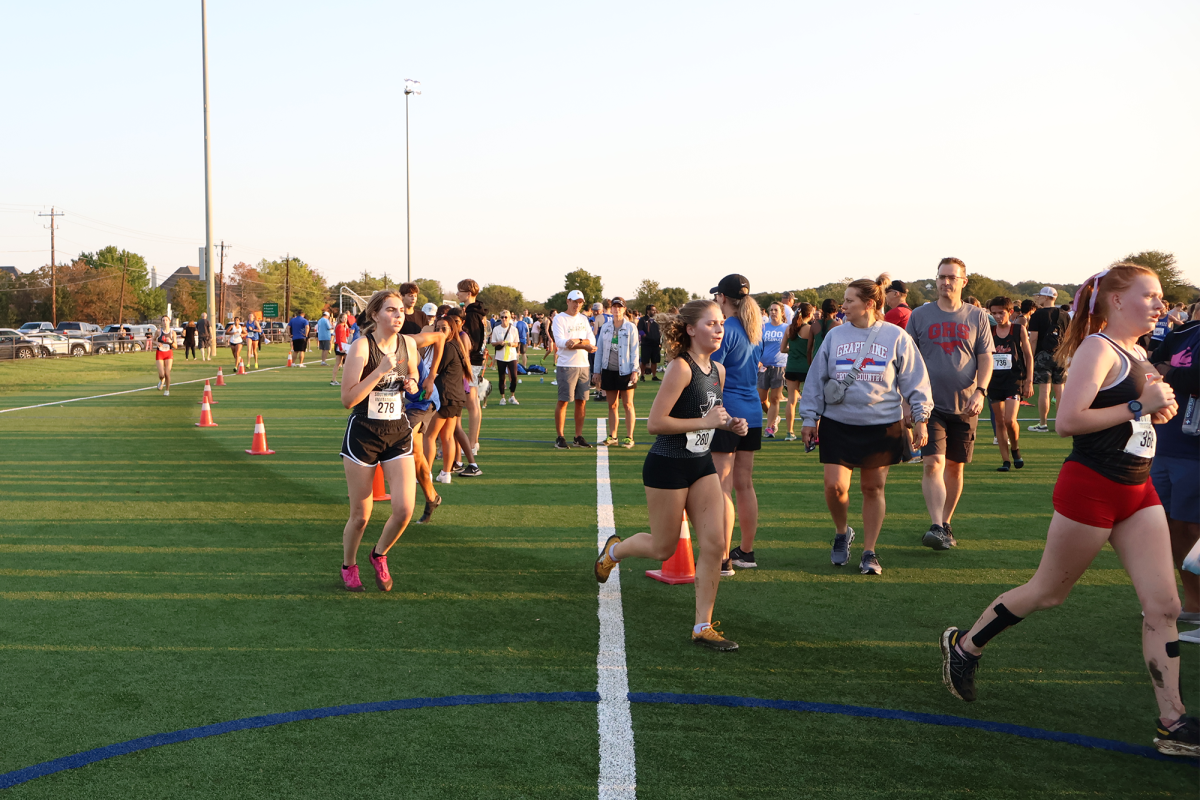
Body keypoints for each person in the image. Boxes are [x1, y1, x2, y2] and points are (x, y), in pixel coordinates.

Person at [940, 263, 1198, 758]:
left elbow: (1138, 415)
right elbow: (1068, 421)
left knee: (1163, 606)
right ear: (1117, 301)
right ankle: (965, 646)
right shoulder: (1098, 349)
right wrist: (1139, 407)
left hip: (1137, 489)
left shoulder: (1139, 351)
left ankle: (1173, 721)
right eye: (1150, 295)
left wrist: (1154, 408)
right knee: (1047, 593)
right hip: (1093, 486)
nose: (1160, 305)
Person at [594, 299, 749, 651]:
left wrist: (730, 423)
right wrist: (707, 422)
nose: (719, 329)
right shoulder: (681, 368)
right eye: (711, 323)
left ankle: (702, 626)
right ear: (691, 329)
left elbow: (712, 412)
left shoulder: (718, 371)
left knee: (714, 544)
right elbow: (655, 424)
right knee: (663, 548)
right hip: (668, 463)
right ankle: (615, 551)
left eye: (721, 323)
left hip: (701, 464)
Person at [800, 276, 932, 575]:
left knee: (873, 487)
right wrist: (810, 417)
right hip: (838, 422)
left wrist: (921, 420)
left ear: (869, 304)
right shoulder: (834, 336)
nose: (843, 306)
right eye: (844, 300)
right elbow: (816, 379)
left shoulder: (896, 337)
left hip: (882, 423)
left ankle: (870, 552)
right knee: (835, 486)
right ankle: (842, 532)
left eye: (849, 301)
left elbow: (916, 380)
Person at [338, 290, 421, 593]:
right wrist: (380, 371)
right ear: (374, 315)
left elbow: (410, 376)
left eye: (401, 310)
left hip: (397, 432)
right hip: (364, 435)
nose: (399, 315)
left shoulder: (407, 344)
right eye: (391, 310)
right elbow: (348, 399)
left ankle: (379, 554)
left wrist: (410, 382)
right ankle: (349, 565)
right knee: (361, 516)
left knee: (404, 510)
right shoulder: (361, 347)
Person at [908, 257, 994, 550]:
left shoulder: (977, 316)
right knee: (932, 463)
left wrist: (981, 391)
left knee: (955, 468)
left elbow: (985, 357)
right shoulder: (920, 315)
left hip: (967, 404)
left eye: (952, 277)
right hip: (929, 405)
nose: (946, 282)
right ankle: (934, 524)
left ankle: (945, 523)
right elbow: (908, 360)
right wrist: (908, 400)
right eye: (942, 276)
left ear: (963, 281)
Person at [1150, 308, 1200, 641]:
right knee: (1170, 527)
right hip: (1166, 443)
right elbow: (1152, 369)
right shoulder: (1185, 332)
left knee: (1194, 529)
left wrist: (1169, 375)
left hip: (1196, 453)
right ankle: (1194, 605)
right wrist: (1166, 374)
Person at [710, 274, 764, 573]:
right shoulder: (754, 326)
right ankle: (745, 551)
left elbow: (714, 372)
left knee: (722, 486)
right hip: (752, 412)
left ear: (723, 298)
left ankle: (721, 558)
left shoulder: (726, 329)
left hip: (728, 414)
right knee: (744, 485)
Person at [428, 310, 482, 481]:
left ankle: (426, 473)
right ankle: (446, 473)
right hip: (456, 396)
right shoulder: (456, 345)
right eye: (437, 328)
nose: (440, 331)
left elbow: (435, 370)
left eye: (444, 328)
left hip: (447, 396)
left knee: (430, 436)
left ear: (452, 329)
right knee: (448, 436)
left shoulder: (448, 347)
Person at [986, 297, 1033, 471]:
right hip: (994, 381)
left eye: (1001, 313)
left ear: (1010, 312)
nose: (998, 317)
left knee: (1010, 420)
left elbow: (1028, 355)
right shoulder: (990, 331)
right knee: (999, 421)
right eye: (994, 313)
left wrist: (1029, 381)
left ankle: (1015, 449)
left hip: (1014, 379)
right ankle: (1005, 461)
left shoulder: (1018, 329)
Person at [552, 290, 597, 449]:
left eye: (580, 302)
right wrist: (583, 344)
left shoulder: (584, 319)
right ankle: (560, 436)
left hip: (583, 365)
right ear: (568, 301)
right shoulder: (559, 319)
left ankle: (578, 436)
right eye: (574, 301)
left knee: (581, 402)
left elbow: (591, 340)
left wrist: (577, 341)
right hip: (566, 365)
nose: (577, 305)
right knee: (564, 401)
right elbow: (562, 342)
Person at [596, 297, 639, 447]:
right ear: (611, 309)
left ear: (624, 309)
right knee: (612, 405)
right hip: (609, 370)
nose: (616, 309)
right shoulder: (606, 327)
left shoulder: (630, 327)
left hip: (625, 370)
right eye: (614, 307)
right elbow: (599, 350)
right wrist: (597, 371)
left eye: (619, 307)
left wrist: (635, 370)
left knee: (628, 404)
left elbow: (634, 350)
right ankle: (613, 436)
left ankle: (629, 437)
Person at [1027, 286, 1068, 432]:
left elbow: (1033, 339)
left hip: (1043, 355)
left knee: (1045, 391)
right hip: (1061, 355)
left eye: (1039, 296)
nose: (1037, 298)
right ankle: (1061, 423)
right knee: (1060, 390)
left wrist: (1030, 357)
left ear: (1045, 297)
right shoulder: (1064, 314)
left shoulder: (1037, 314)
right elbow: (1068, 337)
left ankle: (1043, 423)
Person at [458, 279, 488, 450]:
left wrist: (465, 358)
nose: (457, 294)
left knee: (470, 401)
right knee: (473, 401)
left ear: (468, 293)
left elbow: (473, 340)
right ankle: (473, 442)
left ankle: (470, 443)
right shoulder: (478, 311)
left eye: (460, 291)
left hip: (471, 361)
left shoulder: (472, 313)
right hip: (476, 360)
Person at [779, 302, 813, 441]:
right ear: (810, 314)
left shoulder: (789, 328)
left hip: (791, 367)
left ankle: (789, 432)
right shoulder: (809, 329)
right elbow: (811, 349)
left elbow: (782, 349)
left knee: (791, 402)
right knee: (810, 401)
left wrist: (793, 350)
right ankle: (810, 431)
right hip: (806, 368)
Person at [758, 302, 788, 438]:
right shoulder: (764, 327)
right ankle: (774, 418)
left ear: (782, 312)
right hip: (764, 366)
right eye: (771, 310)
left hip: (780, 366)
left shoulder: (786, 328)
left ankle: (769, 427)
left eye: (776, 310)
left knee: (775, 398)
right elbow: (758, 345)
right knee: (761, 399)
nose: (773, 312)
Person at [490, 310, 521, 405]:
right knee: (501, 377)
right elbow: (492, 343)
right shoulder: (496, 329)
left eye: (506, 317)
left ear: (509, 318)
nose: (504, 319)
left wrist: (512, 344)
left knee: (514, 377)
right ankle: (502, 397)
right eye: (502, 317)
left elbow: (517, 343)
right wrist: (499, 342)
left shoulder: (514, 329)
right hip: (500, 356)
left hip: (511, 356)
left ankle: (512, 395)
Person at [154, 315, 177, 395]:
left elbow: (176, 346)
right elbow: (153, 340)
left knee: (167, 373)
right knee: (161, 374)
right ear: (161, 322)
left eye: (166, 320)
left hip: (168, 353)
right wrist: (157, 343)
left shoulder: (172, 333)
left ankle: (167, 390)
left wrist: (170, 341)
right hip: (160, 353)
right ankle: (161, 380)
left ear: (169, 321)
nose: (165, 322)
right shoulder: (158, 331)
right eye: (163, 320)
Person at [638, 304, 662, 380]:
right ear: (648, 311)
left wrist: (660, 340)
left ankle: (654, 376)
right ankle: (642, 375)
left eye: (655, 310)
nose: (654, 311)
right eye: (652, 310)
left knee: (654, 361)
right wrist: (644, 335)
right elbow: (639, 329)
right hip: (646, 343)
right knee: (644, 361)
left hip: (655, 343)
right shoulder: (643, 320)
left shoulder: (657, 320)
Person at [331, 313, 350, 386]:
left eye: (346, 318)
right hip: (340, 345)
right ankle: (334, 379)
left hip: (344, 345)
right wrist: (341, 348)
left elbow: (347, 335)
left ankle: (337, 380)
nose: (345, 319)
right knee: (340, 363)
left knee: (343, 363)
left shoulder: (344, 326)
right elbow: (338, 338)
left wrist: (347, 328)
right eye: (344, 318)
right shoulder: (339, 326)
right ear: (341, 318)